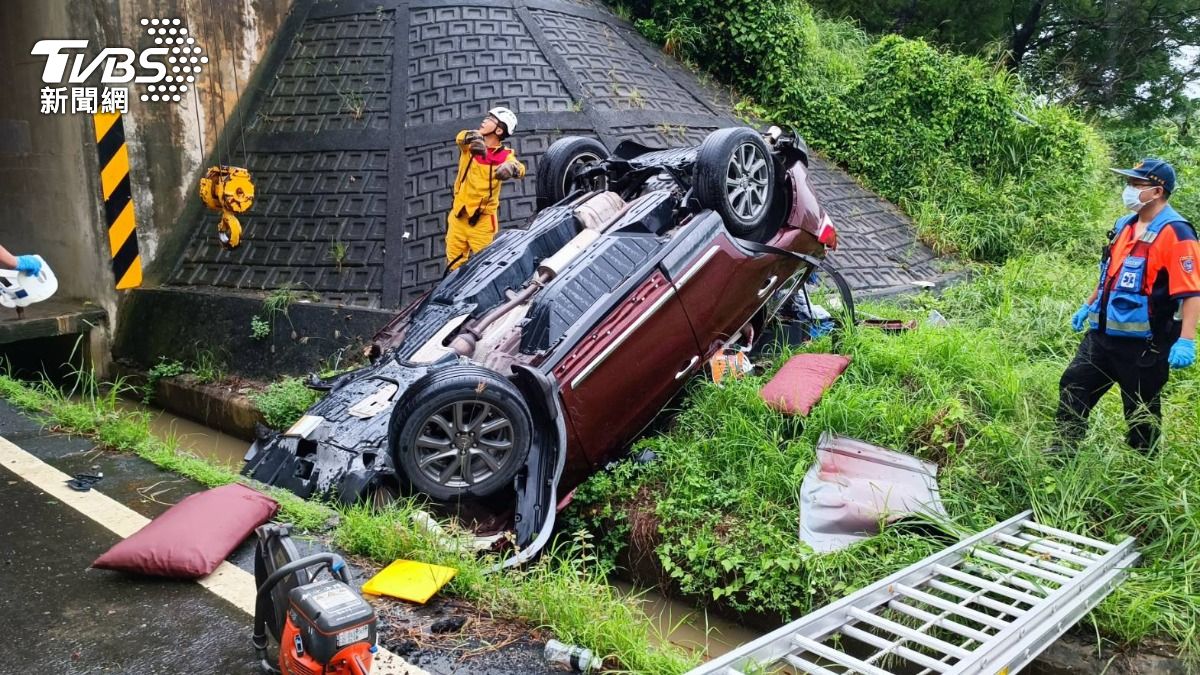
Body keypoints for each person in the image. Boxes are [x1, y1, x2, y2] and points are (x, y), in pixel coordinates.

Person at [1057, 158, 1199, 453]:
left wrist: (1186, 340)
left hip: (1145, 347)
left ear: (1157, 191)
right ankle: (1062, 450)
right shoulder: (1125, 225)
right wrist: (1088, 305)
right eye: (1129, 183)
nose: (1129, 189)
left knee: (1141, 412)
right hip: (1102, 336)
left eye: (1136, 184)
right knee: (1074, 387)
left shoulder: (1177, 233)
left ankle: (1141, 470)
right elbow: (1111, 273)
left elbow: (1191, 292)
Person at [444, 107, 526, 270]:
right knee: (453, 263)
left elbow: (520, 168)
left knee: (486, 267)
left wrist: (511, 168)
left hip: (482, 223)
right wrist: (471, 136)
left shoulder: (504, 156)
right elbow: (460, 138)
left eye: (491, 119)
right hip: (459, 215)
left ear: (499, 129)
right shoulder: (470, 146)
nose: (485, 120)